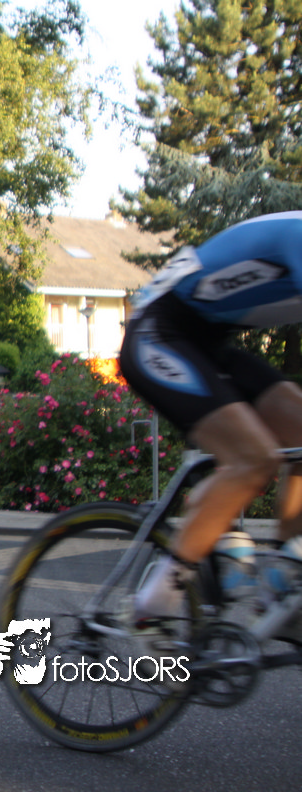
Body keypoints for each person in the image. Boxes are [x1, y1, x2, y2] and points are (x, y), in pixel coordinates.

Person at [119, 211, 302, 643]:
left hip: (207, 343)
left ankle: (282, 578)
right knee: (254, 460)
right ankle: (153, 605)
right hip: (158, 336)